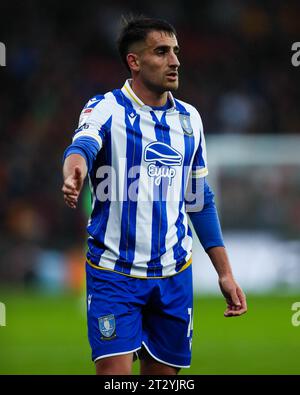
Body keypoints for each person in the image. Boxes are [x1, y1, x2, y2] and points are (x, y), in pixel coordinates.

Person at [61, 16, 247, 375]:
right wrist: (74, 171)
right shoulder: (106, 108)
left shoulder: (190, 120)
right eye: (161, 52)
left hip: (174, 275)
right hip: (114, 273)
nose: (174, 61)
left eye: (175, 52)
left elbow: (199, 199)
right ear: (134, 61)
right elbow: (80, 147)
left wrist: (224, 272)